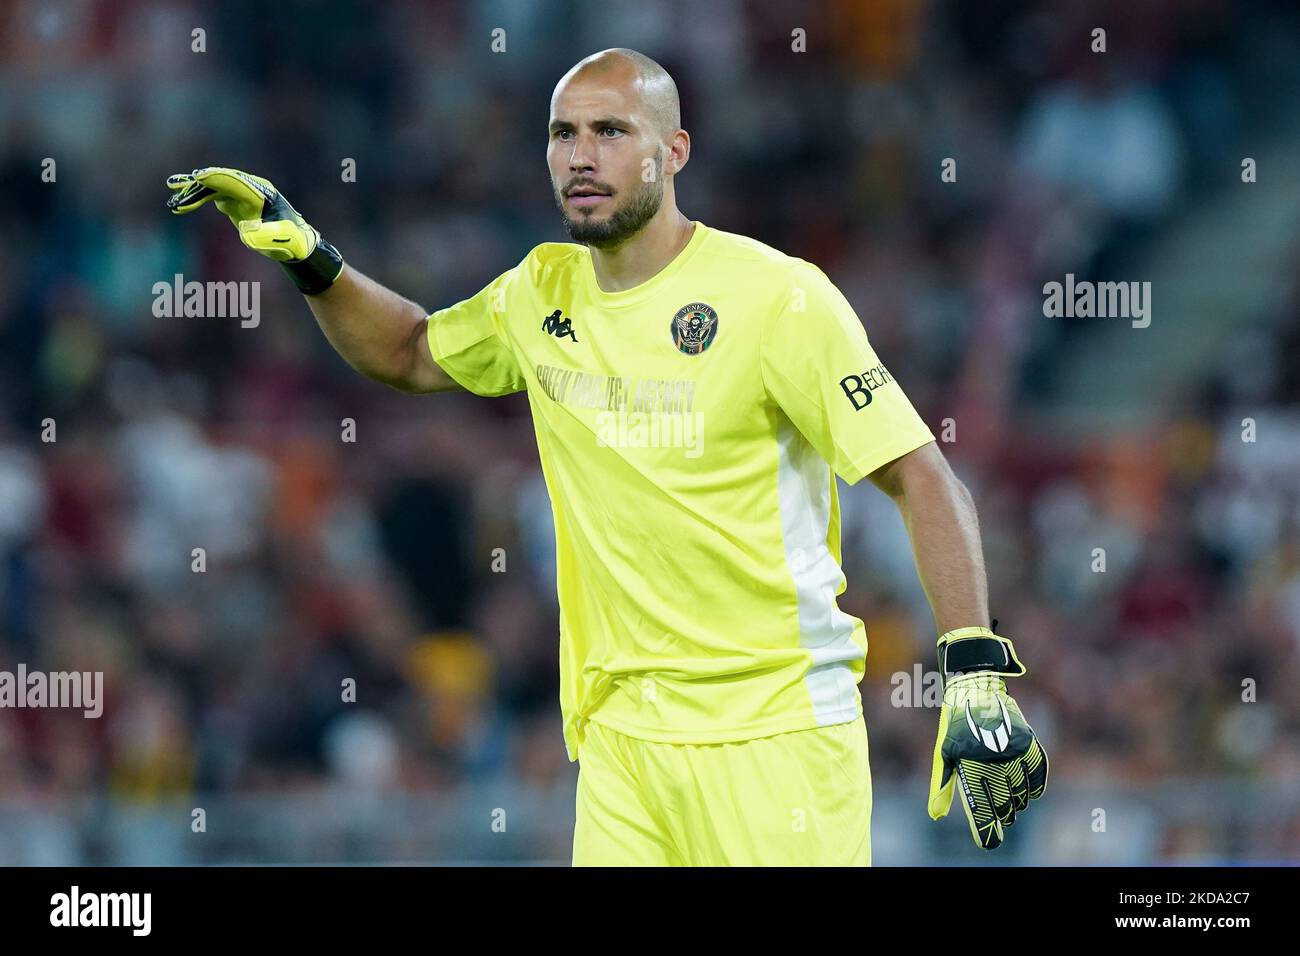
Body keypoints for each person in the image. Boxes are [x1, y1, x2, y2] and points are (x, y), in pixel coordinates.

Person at [165, 47, 1046, 866]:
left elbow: (922, 474)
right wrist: (312, 260)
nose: (581, 155)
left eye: (611, 131)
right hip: (621, 746)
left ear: (674, 150)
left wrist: (973, 669)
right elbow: (408, 352)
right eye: (563, 134)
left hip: (775, 737)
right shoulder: (537, 290)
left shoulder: (779, 298)